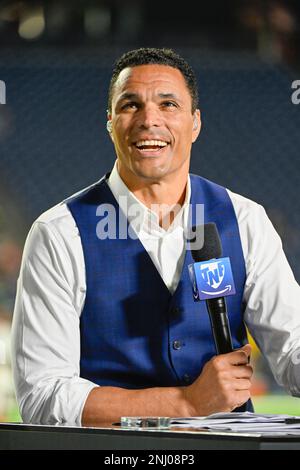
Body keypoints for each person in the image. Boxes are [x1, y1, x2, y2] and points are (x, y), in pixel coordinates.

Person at [11, 47, 300, 427]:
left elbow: (292, 348)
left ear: (195, 123)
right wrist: (184, 403)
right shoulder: (59, 233)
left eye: (168, 104)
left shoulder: (245, 220)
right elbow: (43, 395)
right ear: (110, 122)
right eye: (131, 105)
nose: (150, 120)